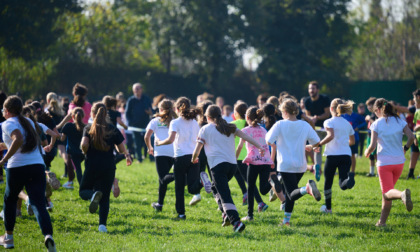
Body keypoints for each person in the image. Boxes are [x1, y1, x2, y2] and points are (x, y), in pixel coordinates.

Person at [192, 105, 266, 232]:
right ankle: (225, 213)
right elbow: (246, 137)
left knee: (225, 195)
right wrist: (259, 146)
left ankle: (236, 222)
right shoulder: (230, 127)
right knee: (216, 188)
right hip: (232, 166)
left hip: (217, 167)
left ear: (207, 117)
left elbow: (197, 149)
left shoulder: (205, 129)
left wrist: (194, 159)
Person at [0, 95, 56, 251]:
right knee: (39, 204)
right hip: (37, 165)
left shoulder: (7, 123)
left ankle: (9, 238)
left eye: (3, 109)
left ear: (8, 110)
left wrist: (3, 160)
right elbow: (21, 140)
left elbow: (17, 139)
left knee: (9, 199)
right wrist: (4, 146)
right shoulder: (29, 121)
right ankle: (48, 236)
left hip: (17, 167)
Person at [266, 98, 321, 226]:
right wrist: (307, 146)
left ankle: (307, 189)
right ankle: (286, 221)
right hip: (301, 165)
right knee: (291, 194)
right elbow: (317, 142)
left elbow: (268, 140)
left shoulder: (280, 124)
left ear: (284, 111)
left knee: (291, 193)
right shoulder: (304, 125)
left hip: (285, 165)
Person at [155, 97, 212, 220]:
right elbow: (199, 140)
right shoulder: (194, 123)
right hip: (194, 157)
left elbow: (170, 139)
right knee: (192, 188)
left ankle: (181, 214)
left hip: (180, 157)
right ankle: (202, 182)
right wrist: (197, 155)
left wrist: (159, 143)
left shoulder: (175, 123)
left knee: (179, 188)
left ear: (176, 108)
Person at [80, 102, 132, 233]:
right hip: (108, 166)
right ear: (106, 114)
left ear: (92, 113)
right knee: (105, 197)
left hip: (92, 165)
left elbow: (84, 144)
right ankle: (102, 225)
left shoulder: (88, 128)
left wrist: (85, 150)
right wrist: (126, 154)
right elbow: (121, 149)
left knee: (83, 191)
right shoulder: (112, 128)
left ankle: (92, 195)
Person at [364, 98, 414, 227]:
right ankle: (382, 222)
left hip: (384, 163)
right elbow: (411, 137)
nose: (375, 114)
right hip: (399, 162)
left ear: (379, 110)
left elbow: (373, 145)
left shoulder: (376, 124)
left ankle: (402, 194)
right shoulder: (400, 121)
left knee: (387, 193)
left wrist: (367, 151)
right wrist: (405, 148)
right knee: (388, 193)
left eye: (375, 111)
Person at [236, 106, 283, 221]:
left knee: (251, 188)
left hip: (253, 162)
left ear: (247, 118)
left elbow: (240, 146)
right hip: (266, 162)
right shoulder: (263, 130)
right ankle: (274, 180)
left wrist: (234, 158)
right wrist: (271, 160)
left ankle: (250, 215)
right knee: (263, 189)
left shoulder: (245, 131)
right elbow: (273, 146)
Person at [315, 99, 356, 213]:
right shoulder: (347, 124)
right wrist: (343, 143)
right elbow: (352, 142)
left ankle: (328, 209)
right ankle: (348, 182)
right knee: (342, 183)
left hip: (332, 156)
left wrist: (319, 144)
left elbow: (330, 136)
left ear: (331, 109)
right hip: (346, 156)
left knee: (328, 183)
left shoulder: (328, 122)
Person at [145, 99, 176, 212]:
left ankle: (176, 175)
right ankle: (159, 204)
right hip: (175, 152)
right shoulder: (175, 120)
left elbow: (146, 136)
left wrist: (150, 148)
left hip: (161, 152)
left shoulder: (155, 121)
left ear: (161, 109)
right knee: (162, 180)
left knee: (163, 178)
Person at [304, 81, 331, 181]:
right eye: (310, 89)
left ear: (317, 90)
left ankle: (332, 169)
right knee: (317, 149)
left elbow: (327, 114)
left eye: (313, 88)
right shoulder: (307, 101)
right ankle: (317, 170)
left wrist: (317, 117)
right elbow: (308, 115)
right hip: (315, 130)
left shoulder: (324, 99)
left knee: (331, 149)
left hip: (327, 129)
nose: (311, 90)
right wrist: (312, 118)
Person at [125, 83, 153, 163]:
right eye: (135, 89)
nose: (136, 90)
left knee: (148, 142)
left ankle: (151, 158)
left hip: (146, 125)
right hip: (135, 125)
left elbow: (152, 110)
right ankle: (139, 159)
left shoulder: (146, 99)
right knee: (137, 143)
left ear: (141, 89)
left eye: (138, 88)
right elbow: (127, 113)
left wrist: (150, 112)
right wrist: (131, 123)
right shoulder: (131, 100)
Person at [60, 108, 86, 187]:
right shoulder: (85, 126)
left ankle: (82, 187)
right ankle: (87, 185)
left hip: (73, 152)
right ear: (83, 116)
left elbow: (62, 139)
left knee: (78, 170)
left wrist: (58, 135)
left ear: (72, 116)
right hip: (83, 152)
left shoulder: (68, 125)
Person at [342, 103, 367, 173]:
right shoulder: (343, 116)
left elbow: (365, 121)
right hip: (344, 138)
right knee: (344, 156)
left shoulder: (356, 115)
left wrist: (358, 127)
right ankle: (345, 170)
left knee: (352, 155)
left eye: (350, 107)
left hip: (354, 138)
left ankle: (352, 171)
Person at [365, 97, 378, 177]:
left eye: (369, 105)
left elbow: (376, 124)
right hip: (369, 136)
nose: (368, 107)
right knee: (371, 155)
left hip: (375, 138)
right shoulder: (372, 114)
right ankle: (371, 172)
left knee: (376, 155)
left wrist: (369, 119)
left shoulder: (377, 114)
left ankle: (378, 172)